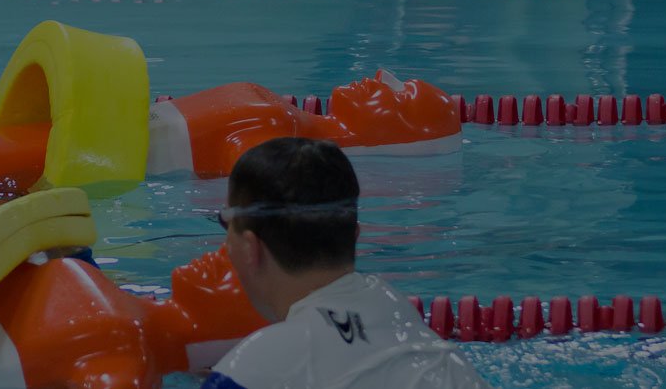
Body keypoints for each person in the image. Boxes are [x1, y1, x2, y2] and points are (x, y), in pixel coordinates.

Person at [205, 137, 490, 389]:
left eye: (225, 223)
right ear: (354, 235)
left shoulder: (252, 370)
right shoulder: (399, 314)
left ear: (249, 247)